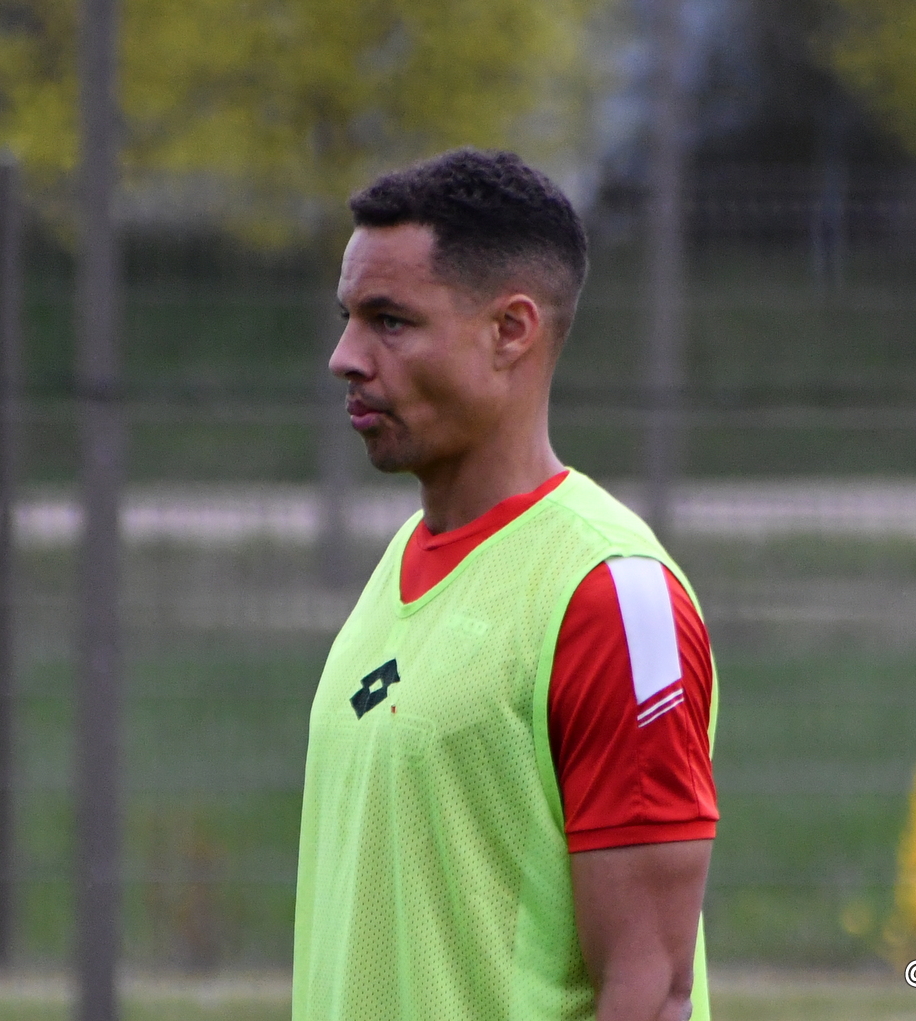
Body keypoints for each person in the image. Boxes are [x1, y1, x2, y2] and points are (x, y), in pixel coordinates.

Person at [293, 150, 718, 1021]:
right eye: (348, 318)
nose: (345, 357)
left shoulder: (611, 597)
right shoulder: (402, 559)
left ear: (511, 330)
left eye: (389, 321)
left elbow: (652, 991)